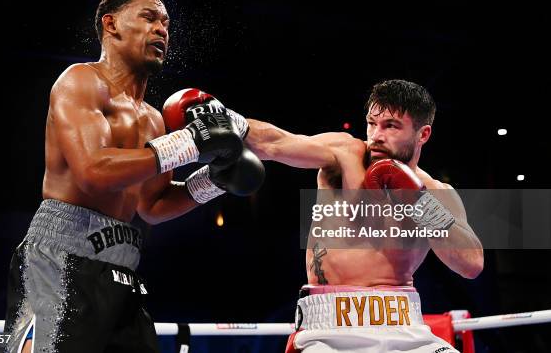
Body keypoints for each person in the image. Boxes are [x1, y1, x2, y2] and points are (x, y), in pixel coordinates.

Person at [2, 0, 264, 353]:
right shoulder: (81, 81)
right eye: (149, 17)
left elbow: (152, 207)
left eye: (166, 23)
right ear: (111, 25)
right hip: (61, 259)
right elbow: (93, 171)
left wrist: (213, 180)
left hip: (123, 267)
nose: (161, 29)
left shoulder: (154, 120)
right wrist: (190, 142)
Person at [166, 80, 483, 352]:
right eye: (372, 123)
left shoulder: (434, 191)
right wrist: (228, 120)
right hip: (331, 328)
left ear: (423, 134)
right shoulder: (346, 155)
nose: (376, 136)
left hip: (405, 324)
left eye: (391, 126)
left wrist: (417, 199)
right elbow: (276, 143)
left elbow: (470, 264)